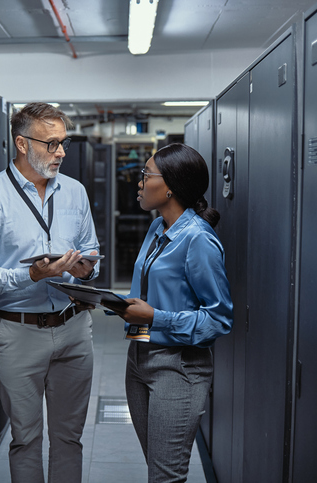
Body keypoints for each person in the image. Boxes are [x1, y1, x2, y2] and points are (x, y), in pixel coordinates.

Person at [0, 102, 100, 483]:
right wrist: (31, 275)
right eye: (51, 144)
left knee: (69, 439)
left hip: (74, 329)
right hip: (18, 332)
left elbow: (92, 251)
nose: (61, 153)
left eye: (64, 143)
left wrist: (87, 269)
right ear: (22, 144)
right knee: (25, 438)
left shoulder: (75, 192)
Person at [101, 143, 233, 482]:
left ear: (171, 186)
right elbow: (148, 295)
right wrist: (108, 302)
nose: (139, 182)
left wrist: (155, 318)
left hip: (178, 368)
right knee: (159, 469)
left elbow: (219, 319)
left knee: (165, 476)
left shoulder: (198, 240)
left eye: (146, 175)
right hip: (139, 359)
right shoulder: (157, 228)